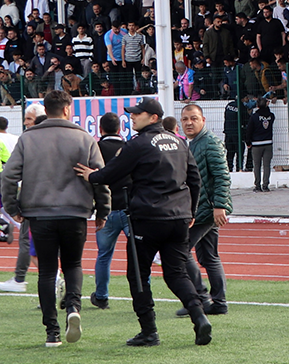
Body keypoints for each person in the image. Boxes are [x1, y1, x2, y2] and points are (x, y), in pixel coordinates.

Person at [77, 97, 213, 348]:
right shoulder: (180, 142)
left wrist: (91, 175)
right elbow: (195, 179)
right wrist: (191, 210)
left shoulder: (138, 143)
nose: (132, 117)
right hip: (179, 218)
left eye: (137, 114)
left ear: (153, 117)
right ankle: (199, 316)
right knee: (176, 273)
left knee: (138, 275)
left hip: (148, 218)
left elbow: (111, 173)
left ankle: (149, 331)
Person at [2, 91, 109, 347]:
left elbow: (7, 176)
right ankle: (73, 306)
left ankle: (52, 331)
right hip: (75, 211)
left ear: (45, 110)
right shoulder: (84, 138)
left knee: (47, 271)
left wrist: (12, 206)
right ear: (67, 109)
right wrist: (103, 210)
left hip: (39, 213)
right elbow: (100, 177)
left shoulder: (28, 139)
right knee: (73, 264)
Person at [175, 104, 231, 317]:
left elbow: (222, 175)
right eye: (185, 119)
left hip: (206, 210)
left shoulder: (209, 143)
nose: (189, 122)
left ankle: (199, 298)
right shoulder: (194, 143)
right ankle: (218, 302)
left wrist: (219, 206)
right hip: (203, 209)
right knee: (209, 255)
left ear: (203, 120)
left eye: (193, 118)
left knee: (180, 249)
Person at [0, 104, 47, 294]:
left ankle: (53, 279)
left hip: (33, 195)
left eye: (28, 119)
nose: (25, 122)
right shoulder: (19, 138)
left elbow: (10, 171)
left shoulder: (28, 139)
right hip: (39, 193)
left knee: (29, 240)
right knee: (29, 238)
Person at [90, 113, 129, 309]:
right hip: (129, 208)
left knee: (104, 255)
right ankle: (142, 291)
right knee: (139, 254)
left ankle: (102, 296)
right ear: (120, 128)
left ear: (100, 129)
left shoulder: (96, 148)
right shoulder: (129, 148)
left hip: (106, 210)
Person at [247, 97, 275, 192]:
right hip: (268, 143)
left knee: (257, 165)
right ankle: (266, 185)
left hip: (256, 143)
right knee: (267, 165)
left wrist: (248, 142)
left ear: (257, 105)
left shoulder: (254, 117)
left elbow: (249, 130)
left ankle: (257, 185)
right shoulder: (271, 116)